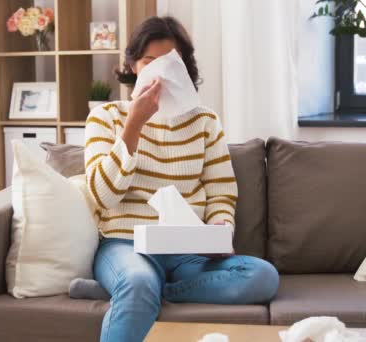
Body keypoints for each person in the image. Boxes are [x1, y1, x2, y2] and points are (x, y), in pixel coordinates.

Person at [82, 16, 279, 342]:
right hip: (125, 244)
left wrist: (220, 230)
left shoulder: (204, 122)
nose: (160, 72)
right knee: (137, 280)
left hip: (189, 250)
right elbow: (103, 197)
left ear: (184, 68)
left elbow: (220, 192)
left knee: (262, 276)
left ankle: (147, 291)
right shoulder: (106, 117)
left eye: (170, 64)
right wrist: (134, 126)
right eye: (150, 62)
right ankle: (134, 288)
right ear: (132, 65)